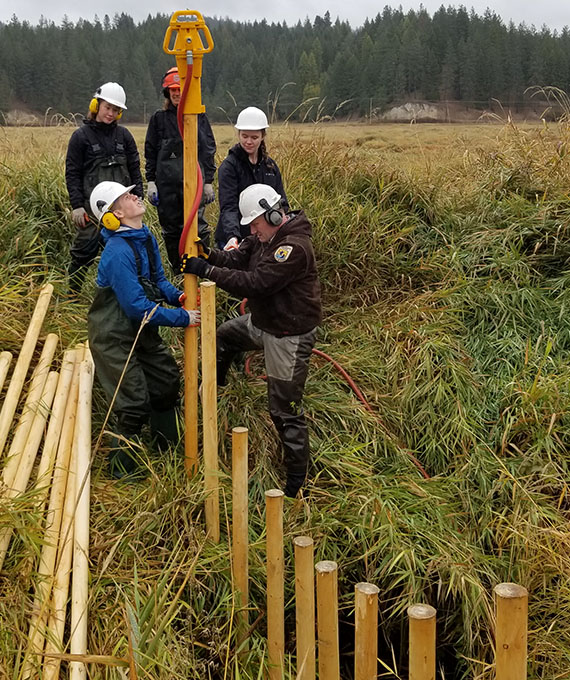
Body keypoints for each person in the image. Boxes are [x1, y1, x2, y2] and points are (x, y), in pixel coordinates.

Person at [181, 184, 321, 498]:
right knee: (225, 337)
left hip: (288, 334)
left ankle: (297, 483)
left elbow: (255, 283)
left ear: (273, 214)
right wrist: (208, 254)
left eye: (255, 224)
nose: (252, 231)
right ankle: (217, 390)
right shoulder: (262, 239)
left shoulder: (293, 248)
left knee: (284, 409)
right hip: (262, 322)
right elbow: (239, 258)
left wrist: (207, 270)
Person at [87, 181, 200, 478]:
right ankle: (125, 475)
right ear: (114, 215)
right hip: (113, 336)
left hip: (141, 329)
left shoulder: (144, 236)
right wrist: (183, 318)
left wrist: (177, 296)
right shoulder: (117, 252)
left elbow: (158, 279)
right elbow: (136, 306)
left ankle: (168, 450)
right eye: (126, 196)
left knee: (165, 383)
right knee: (133, 402)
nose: (135, 196)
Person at [65, 82, 143, 297]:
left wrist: (139, 197)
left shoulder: (124, 136)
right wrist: (77, 206)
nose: (111, 113)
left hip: (122, 210)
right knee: (83, 253)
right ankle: (72, 295)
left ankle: (124, 296)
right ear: (96, 105)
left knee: (128, 254)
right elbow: (72, 174)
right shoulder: (80, 137)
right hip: (91, 212)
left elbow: (134, 168)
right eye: (108, 107)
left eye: (116, 110)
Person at [144, 66, 217, 271]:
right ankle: (179, 274)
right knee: (172, 231)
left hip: (194, 184)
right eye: (173, 89)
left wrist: (209, 181)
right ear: (167, 92)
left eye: (180, 88)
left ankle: (203, 272)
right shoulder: (159, 119)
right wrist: (151, 182)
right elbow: (150, 152)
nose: (177, 93)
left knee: (198, 228)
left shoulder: (198, 117)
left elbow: (208, 149)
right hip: (167, 188)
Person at [214, 107, 289, 251]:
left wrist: (284, 229)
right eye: (244, 136)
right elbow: (229, 206)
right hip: (236, 238)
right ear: (239, 134)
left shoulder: (270, 167)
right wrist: (232, 237)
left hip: (264, 238)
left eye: (254, 137)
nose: (249, 141)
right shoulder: (229, 167)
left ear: (262, 136)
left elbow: (281, 203)